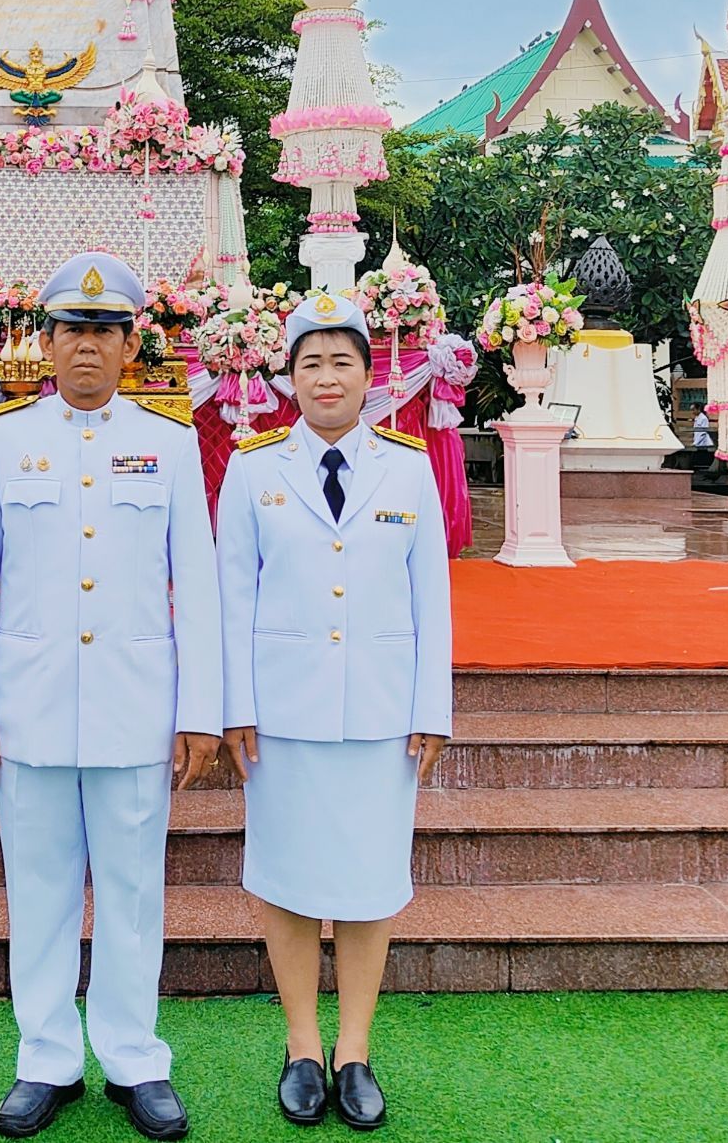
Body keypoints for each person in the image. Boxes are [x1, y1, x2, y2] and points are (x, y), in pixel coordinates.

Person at [0, 251, 222, 1142]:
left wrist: (199, 711)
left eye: (105, 332)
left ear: (129, 344)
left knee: (136, 888)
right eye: (73, 331)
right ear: (48, 342)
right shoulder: (1, 440)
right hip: (27, 704)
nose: (89, 349)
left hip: (136, 703)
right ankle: (45, 1057)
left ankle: (136, 1057)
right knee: (39, 888)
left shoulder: (173, 444)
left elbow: (199, 585)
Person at [217, 291, 452, 1131]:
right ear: (288, 377)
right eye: (309, 362)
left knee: (366, 882)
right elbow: (229, 596)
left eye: (341, 361)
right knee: (285, 879)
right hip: (280, 717)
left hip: (383, 716)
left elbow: (433, 596)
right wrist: (233, 707)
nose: (326, 377)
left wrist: (432, 706)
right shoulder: (252, 468)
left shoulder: (409, 465)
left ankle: (355, 1048)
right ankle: (302, 1043)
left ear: (368, 375)